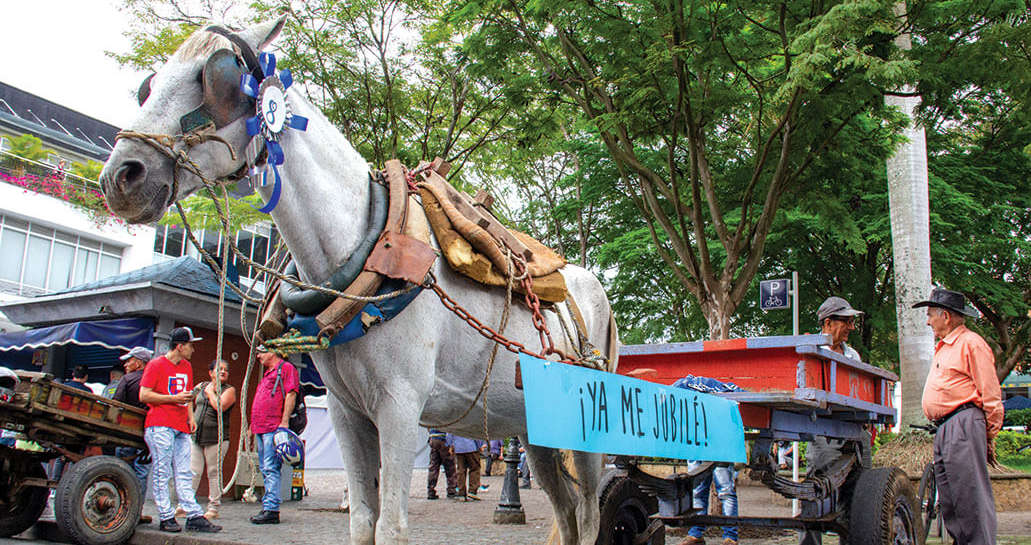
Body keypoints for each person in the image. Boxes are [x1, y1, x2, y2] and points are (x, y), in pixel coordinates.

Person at [916, 287, 1002, 545]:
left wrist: (988, 434)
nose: (928, 321)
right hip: (946, 427)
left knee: (969, 496)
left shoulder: (971, 343)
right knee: (951, 501)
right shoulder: (946, 347)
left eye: (931, 314)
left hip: (963, 423)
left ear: (946, 316)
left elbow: (990, 392)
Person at [140, 327, 221, 533]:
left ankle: (193, 514)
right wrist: (172, 399)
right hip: (159, 424)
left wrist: (190, 417)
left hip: (180, 426)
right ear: (180, 346)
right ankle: (166, 515)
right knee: (162, 471)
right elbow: (145, 395)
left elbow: (187, 395)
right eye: (190, 345)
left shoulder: (186, 366)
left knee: (185, 471)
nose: (192, 349)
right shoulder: (156, 365)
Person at [807, 296, 871, 472]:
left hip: (856, 431)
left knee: (862, 486)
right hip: (823, 431)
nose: (851, 327)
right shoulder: (810, 352)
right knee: (824, 488)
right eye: (847, 322)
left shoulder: (853, 356)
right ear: (828, 323)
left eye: (852, 322)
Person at [250, 344, 300, 525]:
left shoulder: (286, 369)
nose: (258, 357)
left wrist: (284, 421)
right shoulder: (268, 373)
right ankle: (268, 506)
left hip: (272, 427)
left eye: (261, 352)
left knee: (271, 468)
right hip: (261, 427)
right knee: (265, 467)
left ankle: (271, 508)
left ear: (272, 351)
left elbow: (291, 394)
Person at [189, 359, 236, 520]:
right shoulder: (201, 386)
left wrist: (210, 393)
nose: (223, 372)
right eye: (219, 369)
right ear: (210, 373)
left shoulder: (229, 390)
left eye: (225, 370)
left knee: (213, 472)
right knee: (193, 471)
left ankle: (213, 507)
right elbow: (189, 397)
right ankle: (186, 504)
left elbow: (220, 407)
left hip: (217, 438)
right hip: (197, 436)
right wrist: (191, 419)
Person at [113, 346, 155, 524]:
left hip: (126, 435)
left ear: (138, 363)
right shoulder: (153, 382)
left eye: (129, 361)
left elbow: (116, 403)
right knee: (141, 474)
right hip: (145, 436)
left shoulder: (127, 379)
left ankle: (119, 511)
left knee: (122, 472)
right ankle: (135, 511)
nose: (126, 364)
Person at [679, 462, 738, 545]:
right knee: (697, 492)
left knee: (724, 493)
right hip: (711, 452)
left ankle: (730, 537)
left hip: (705, 451)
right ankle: (696, 533)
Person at [447, 434, 484, 501]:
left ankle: (461, 493)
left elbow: (449, 433)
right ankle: (472, 492)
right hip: (471, 447)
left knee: (460, 470)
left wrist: (450, 445)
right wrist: (479, 445)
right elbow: (477, 432)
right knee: (474, 469)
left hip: (458, 447)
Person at [426, 429, 457, 499]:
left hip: (433, 439)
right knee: (450, 467)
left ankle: (430, 491)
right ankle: (451, 490)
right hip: (444, 439)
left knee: (433, 467)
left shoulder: (432, 417)